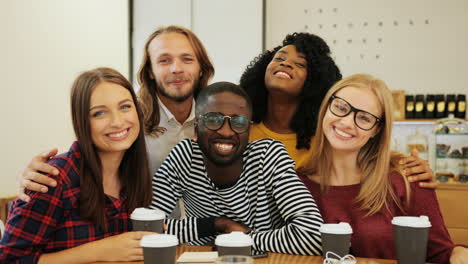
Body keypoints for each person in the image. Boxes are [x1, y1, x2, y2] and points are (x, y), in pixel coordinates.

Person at [16, 25, 214, 210]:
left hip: (206, 237)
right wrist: (33, 175)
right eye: (164, 60)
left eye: (187, 59)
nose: (176, 69)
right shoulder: (127, 122)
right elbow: (88, 161)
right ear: (150, 71)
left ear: (201, 67)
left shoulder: (221, 120)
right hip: (140, 236)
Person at [298, 74, 468, 263]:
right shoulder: (294, 183)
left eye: (364, 118)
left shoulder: (407, 177)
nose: (346, 122)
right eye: (340, 107)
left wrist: (459, 252)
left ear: (376, 130)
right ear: (326, 108)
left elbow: (440, 253)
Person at [240, 32, 436, 187]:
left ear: (316, 81)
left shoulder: (329, 139)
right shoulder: (241, 132)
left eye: (299, 64)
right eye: (278, 58)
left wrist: (409, 166)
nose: (285, 63)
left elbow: (370, 157)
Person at [0, 68, 154, 263]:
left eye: (125, 107)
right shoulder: (52, 177)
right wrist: (100, 251)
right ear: (82, 122)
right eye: (99, 113)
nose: (117, 121)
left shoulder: (134, 175)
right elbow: (9, 259)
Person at [152, 81, 323, 255]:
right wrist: (216, 224)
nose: (226, 132)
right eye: (213, 120)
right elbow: (147, 229)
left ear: (249, 130)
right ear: (196, 128)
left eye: (239, 122)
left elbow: (313, 234)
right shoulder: (184, 157)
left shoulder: (268, 157)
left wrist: (241, 239)